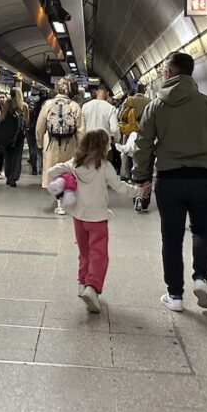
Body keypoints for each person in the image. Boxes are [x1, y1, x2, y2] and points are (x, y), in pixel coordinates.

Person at [133, 51, 207, 313]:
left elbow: (143, 144)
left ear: (168, 73)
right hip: (204, 180)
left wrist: (142, 177)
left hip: (170, 180)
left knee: (171, 238)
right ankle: (201, 279)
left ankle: (175, 295)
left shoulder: (155, 106)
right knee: (202, 231)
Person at [48, 129, 143, 312]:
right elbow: (120, 187)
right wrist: (139, 191)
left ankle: (82, 283)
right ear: (103, 147)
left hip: (79, 217)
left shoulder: (75, 163)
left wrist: (67, 174)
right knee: (99, 254)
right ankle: (92, 287)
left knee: (84, 252)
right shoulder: (104, 166)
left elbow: (52, 171)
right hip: (98, 218)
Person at [37, 79, 84, 214]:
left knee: (54, 172)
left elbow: (40, 126)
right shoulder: (75, 106)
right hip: (70, 144)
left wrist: (40, 142)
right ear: (69, 91)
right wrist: (81, 148)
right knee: (67, 172)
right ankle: (66, 201)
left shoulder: (48, 105)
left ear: (56, 89)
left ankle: (59, 203)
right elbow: (81, 130)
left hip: (51, 144)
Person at [0, 88, 28, 187]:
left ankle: (8, 176)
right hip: (19, 136)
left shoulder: (7, 105)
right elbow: (26, 121)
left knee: (8, 157)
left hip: (7, 136)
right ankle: (13, 177)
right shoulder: (24, 106)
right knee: (17, 157)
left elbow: (1, 119)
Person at [26, 88, 46, 175]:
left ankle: (34, 169)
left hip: (32, 128)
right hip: (43, 129)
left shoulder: (33, 104)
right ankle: (41, 168)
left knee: (32, 148)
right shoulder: (47, 105)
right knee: (42, 149)